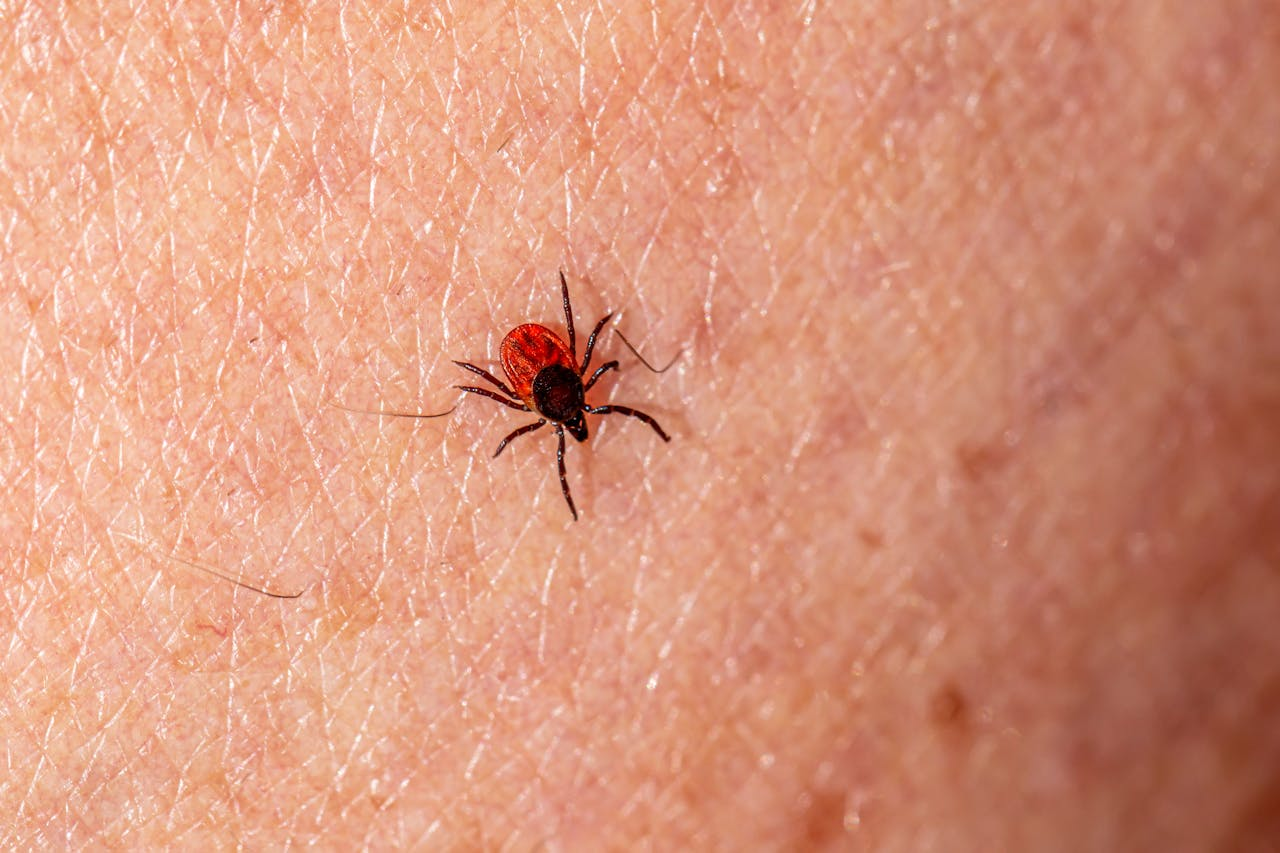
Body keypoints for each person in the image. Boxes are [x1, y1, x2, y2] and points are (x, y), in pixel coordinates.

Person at [4, 2, 1278, 847]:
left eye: (568, 399)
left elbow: (522, 370)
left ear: (556, 387)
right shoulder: (553, 390)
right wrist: (542, 378)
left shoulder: (547, 390)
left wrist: (550, 384)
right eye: (564, 404)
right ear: (551, 395)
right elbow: (522, 369)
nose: (572, 405)